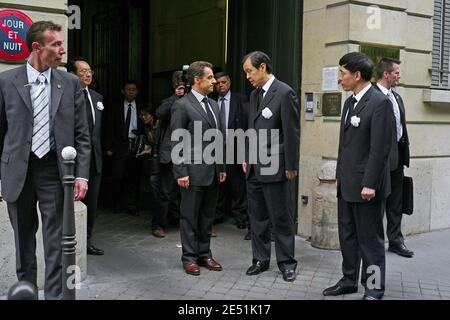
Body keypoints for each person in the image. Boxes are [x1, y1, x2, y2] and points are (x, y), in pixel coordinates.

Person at [0, 21, 90, 299]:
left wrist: (81, 175)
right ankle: (25, 293)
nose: (63, 50)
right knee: (24, 242)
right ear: (37, 47)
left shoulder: (70, 82)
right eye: (56, 44)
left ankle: (54, 296)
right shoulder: (5, 81)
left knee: (57, 243)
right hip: (18, 172)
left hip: (55, 172)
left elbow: (82, 134)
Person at [322, 52, 393, 300]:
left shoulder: (379, 102)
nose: (340, 78)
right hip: (347, 185)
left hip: (367, 187)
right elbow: (345, 146)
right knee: (348, 236)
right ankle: (349, 280)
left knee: (370, 242)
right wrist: (340, 175)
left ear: (357, 75)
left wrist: (370, 183)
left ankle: (373, 288)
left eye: (343, 73)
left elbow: (380, 148)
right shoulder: (350, 102)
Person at [242, 51, 300, 282]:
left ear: (263, 67)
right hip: (254, 168)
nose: (247, 76)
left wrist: (291, 165)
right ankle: (260, 260)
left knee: (281, 218)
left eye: (250, 71)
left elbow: (291, 133)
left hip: (276, 166)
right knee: (257, 218)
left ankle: (287, 263)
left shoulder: (284, 93)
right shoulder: (255, 95)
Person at [170, 61, 226, 276]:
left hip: (212, 172)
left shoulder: (213, 105)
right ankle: (189, 258)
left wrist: (221, 166)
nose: (214, 81)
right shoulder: (182, 105)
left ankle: (205, 254)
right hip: (191, 173)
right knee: (190, 217)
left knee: (207, 217)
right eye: (210, 77)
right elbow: (177, 141)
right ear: (197, 80)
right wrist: (181, 171)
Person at [374, 58, 413, 258]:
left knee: (395, 203)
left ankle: (396, 241)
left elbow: (401, 129)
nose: (399, 75)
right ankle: (376, 244)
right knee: (379, 204)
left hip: (397, 158)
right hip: (380, 160)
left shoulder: (396, 98)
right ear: (386, 74)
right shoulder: (372, 97)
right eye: (396, 72)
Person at [67, 57, 105, 256]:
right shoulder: (67, 96)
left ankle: (87, 240)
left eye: (89, 71)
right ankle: (71, 242)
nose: (88, 74)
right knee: (72, 201)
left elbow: (99, 132)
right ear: (73, 74)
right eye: (83, 71)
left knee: (92, 203)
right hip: (73, 159)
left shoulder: (97, 97)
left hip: (94, 159)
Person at [213, 72, 250, 239]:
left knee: (237, 184)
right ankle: (218, 214)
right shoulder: (212, 102)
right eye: (218, 83)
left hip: (236, 146)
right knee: (219, 183)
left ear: (229, 82)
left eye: (223, 82)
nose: (220, 85)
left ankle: (240, 216)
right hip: (216, 148)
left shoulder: (240, 99)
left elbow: (248, 123)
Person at [151, 71, 185, 238]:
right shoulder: (169, 101)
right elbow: (159, 113)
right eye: (178, 84)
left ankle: (185, 222)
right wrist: (175, 96)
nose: (182, 87)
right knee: (165, 192)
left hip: (190, 153)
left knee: (189, 192)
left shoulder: (194, 100)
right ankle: (158, 224)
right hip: (171, 153)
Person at [105, 80, 143, 216]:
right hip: (119, 145)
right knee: (117, 175)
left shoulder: (141, 106)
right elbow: (110, 126)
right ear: (123, 91)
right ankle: (116, 203)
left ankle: (131, 205)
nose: (131, 92)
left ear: (137, 92)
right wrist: (109, 146)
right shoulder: (116, 106)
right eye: (128, 89)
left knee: (133, 177)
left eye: (133, 89)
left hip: (135, 145)